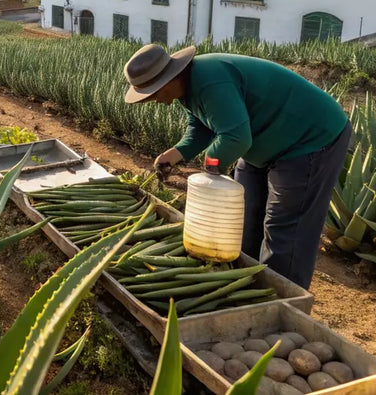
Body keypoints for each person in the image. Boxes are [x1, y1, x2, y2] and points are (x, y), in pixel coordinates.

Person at [122, 44, 351, 289]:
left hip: (310, 139)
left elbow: (236, 138)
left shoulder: (211, 81)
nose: (154, 100)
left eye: (154, 93)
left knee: (284, 230)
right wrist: (175, 154)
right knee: (244, 216)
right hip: (266, 139)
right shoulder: (187, 85)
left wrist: (211, 162)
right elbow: (201, 127)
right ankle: (244, 283)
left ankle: (280, 299)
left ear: (169, 79)